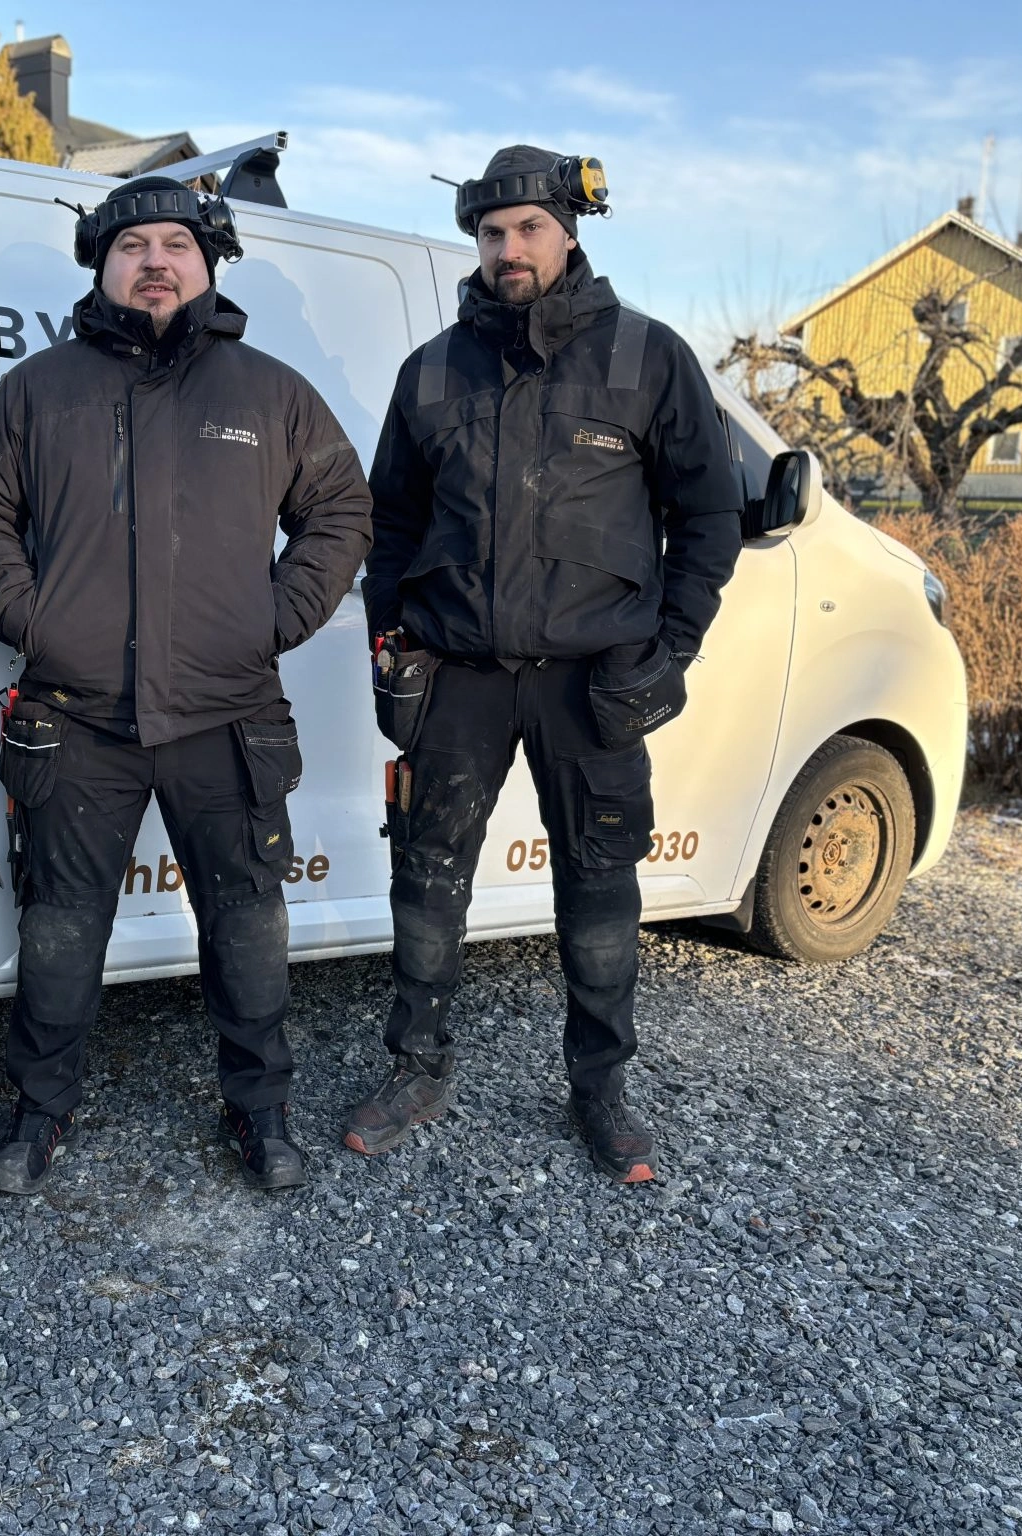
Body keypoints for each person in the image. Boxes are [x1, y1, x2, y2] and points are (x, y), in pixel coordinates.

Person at [0, 177, 372, 1195]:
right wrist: (36, 621)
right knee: (58, 930)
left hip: (228, 715)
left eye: (176, 243)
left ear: (206, 264)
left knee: (247, 925)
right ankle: (39, 1111)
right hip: (75, 716)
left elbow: (341, 511)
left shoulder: (268, 392)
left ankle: (260, 1109)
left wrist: (270, 620)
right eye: (131, 246)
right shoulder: (40, 389)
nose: (154, 262)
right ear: (101, 266)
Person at [347, 145, 741, 1183]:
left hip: (592, 682)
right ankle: (416, 1069)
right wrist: (391, 636)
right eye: (490, 233)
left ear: (568, 230)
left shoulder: (647, 357)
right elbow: (389, 522)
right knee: (426, 878)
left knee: (600, 888)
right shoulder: (432, 370)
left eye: (527, 227)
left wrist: (671, 646)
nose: (507, 248)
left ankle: (599, 1089)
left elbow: (708, 516)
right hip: (458, 676)